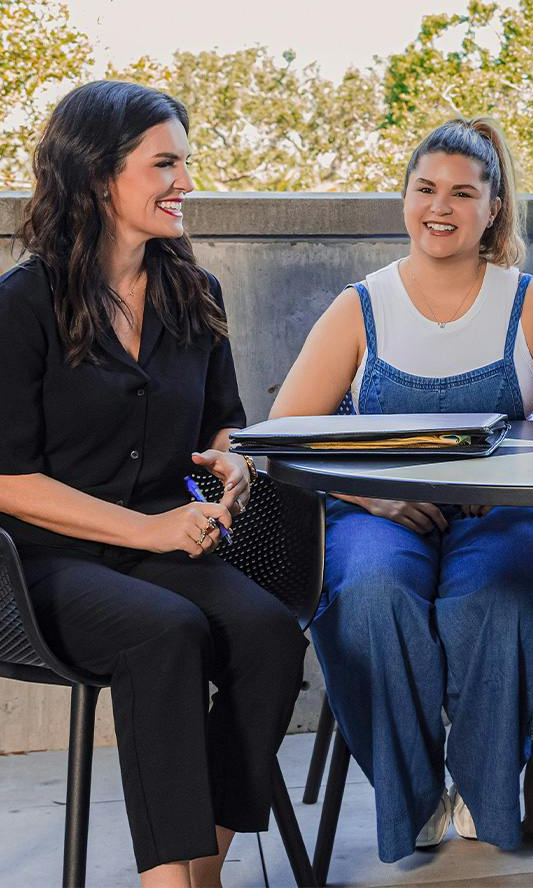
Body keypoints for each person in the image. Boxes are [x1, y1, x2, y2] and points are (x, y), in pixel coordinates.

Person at [271, 117, 533, 863]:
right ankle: (413, 797)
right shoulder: (361, 305)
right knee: (371, 596)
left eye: (463, 192)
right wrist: (375, 499)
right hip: (380, 513)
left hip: (503, 513)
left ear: (494, 209)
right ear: (404, 198)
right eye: (426, 188)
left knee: (502, 597)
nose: (441, 206)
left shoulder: (532, 302)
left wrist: (509, 474)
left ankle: (486, 793)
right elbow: (285, 431)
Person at [0, 81, 307, 888]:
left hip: (161, 547)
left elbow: (224, 423)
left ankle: (197, 871)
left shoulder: (192, 293)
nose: (184, 182)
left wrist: (230, 462)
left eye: (185, 162)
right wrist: (146, 530)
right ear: (100, 176)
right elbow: (7, 479)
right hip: (40, 564)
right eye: (164, 164)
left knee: (271, 636)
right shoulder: (23, 304)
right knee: (163, 633)